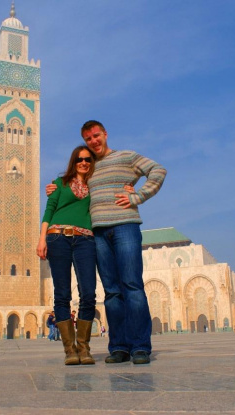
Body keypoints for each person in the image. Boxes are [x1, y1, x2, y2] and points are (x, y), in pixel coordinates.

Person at [47, 120, 166, 365]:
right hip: (98, 233)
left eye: (96, 135)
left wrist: (138, 195)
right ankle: (119, 347)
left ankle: (140, 346)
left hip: (125, 226)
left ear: (105, 134)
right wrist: (54, 188)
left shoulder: (126, 157)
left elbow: (158, 170)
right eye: (88, 138)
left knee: (131, 285)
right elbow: (72, 187)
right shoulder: (88, 167)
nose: (93, 141)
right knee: (111, 291)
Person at [37, 145, 97, 365]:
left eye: (88, 160)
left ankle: (84, 347)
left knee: (88, 293)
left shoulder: (95, 186)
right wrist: (41, 238)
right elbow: (49, 211)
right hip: (57, 237)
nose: (84, 162)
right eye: (80, 159)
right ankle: (70, 350)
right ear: (74, 161)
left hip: (85, 240)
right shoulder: (59, 183)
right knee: (62, 294)